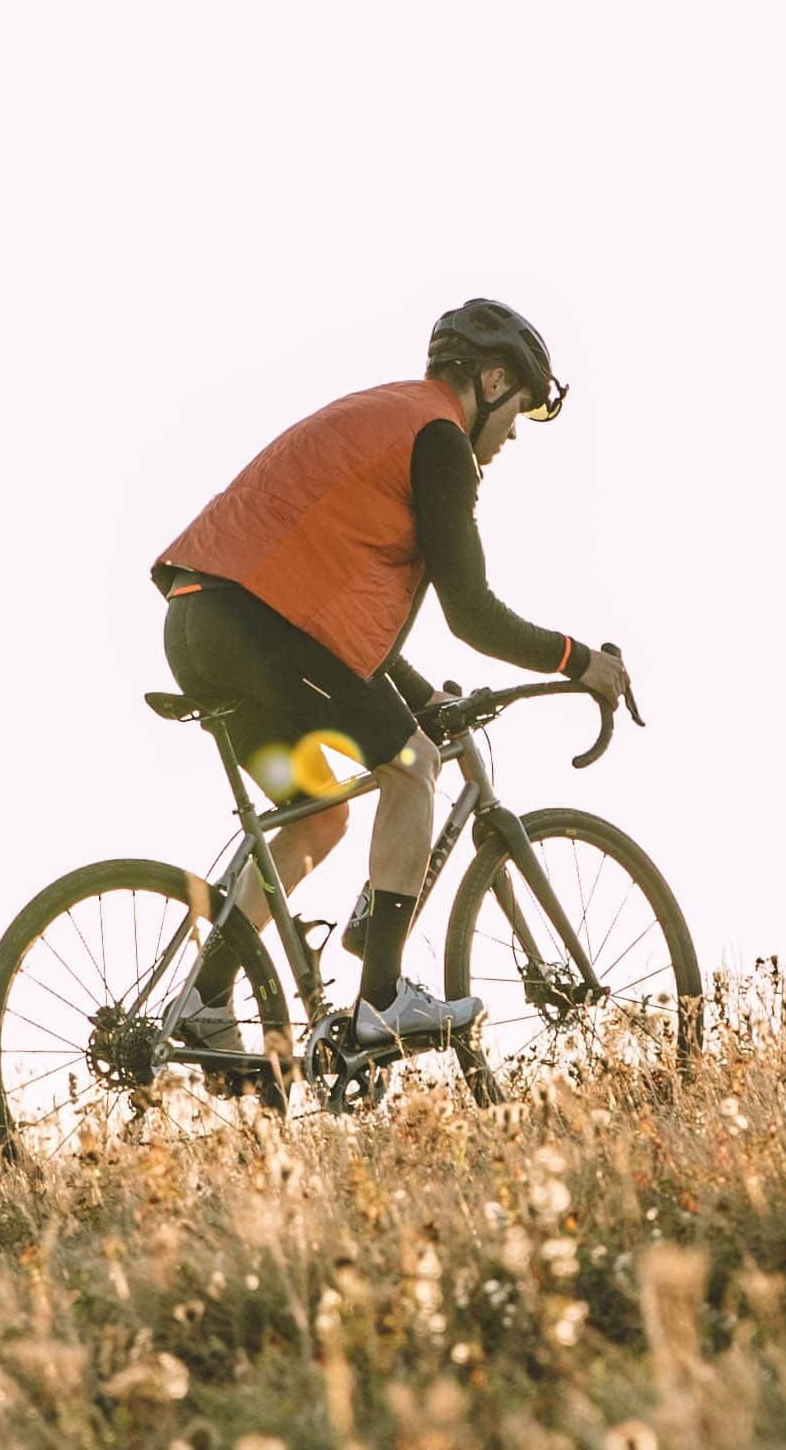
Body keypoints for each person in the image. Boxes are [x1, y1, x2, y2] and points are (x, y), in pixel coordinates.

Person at [148, 298, 631, 1059]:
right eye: (520, 411)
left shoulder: (389, 415)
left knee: (316, 815)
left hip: (206, 620)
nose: (511, 436)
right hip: (260, 626)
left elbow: (333, 605)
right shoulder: (438, 438)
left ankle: (205, 1002)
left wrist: (421, 694)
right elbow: (472, 614)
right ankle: (380, 1002)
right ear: (494, 380)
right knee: (412, 765)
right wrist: (580, 662)